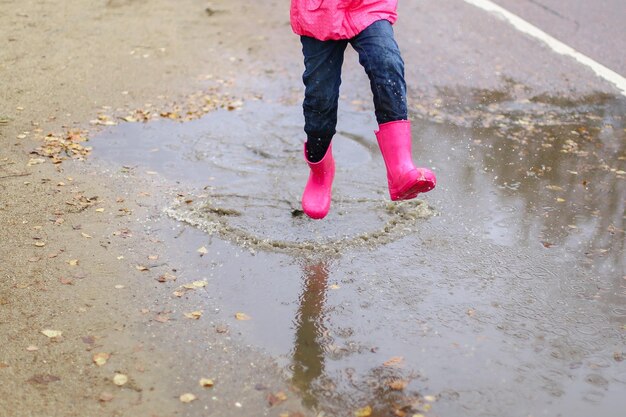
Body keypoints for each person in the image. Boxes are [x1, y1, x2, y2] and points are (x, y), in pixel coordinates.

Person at [291, 0, 436, 219]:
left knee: (387, 63)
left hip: (368, 6)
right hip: (319, 13)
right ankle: (321, 172)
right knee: (320, 98)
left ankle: (400, 168)